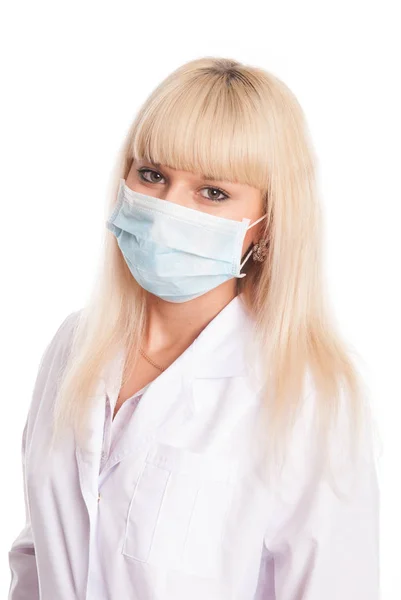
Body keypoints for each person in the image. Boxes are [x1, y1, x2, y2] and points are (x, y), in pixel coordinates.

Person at [8, 57, 380, 599]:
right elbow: (40, 546)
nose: (166, 209)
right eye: (153, 175)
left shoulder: (306, 393)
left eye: (213, 192)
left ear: (266, 225)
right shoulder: (75, 345)